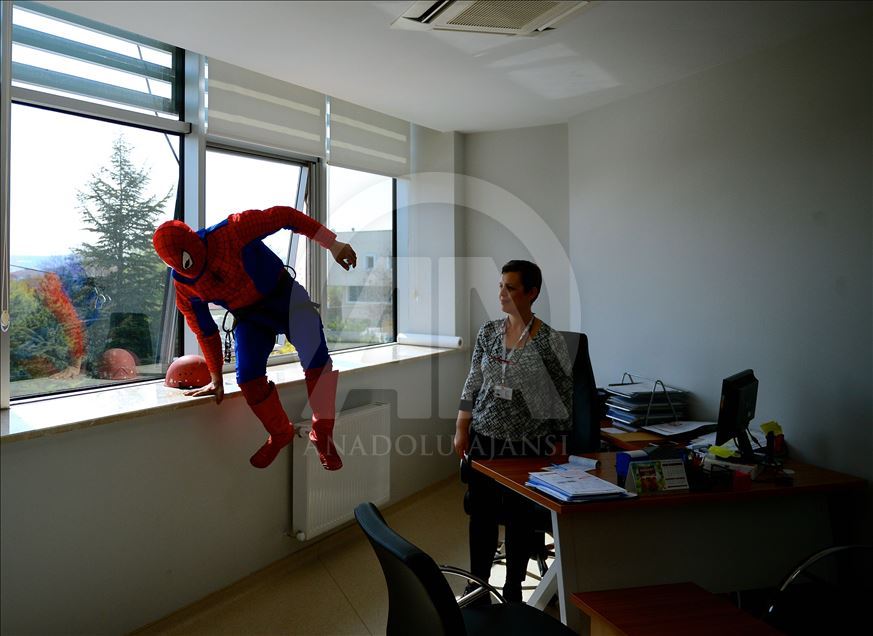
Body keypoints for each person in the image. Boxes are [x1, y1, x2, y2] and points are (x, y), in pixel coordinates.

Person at [152, 205, 357, 471]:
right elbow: (205, 331)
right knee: (248, 378)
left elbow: (285, 216)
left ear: (198, 242)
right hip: (250, 317)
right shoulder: (184, 287)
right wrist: (216, 376)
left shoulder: (233, 230)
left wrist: (332, 243)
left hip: (286, 298)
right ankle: (280, 432)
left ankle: (323, 432)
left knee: (318, 362)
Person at [454, 260, 572, 602]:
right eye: (501, 286)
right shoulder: (488, 332)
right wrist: (461, 427)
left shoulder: (550, 340)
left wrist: (559, 440)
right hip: (485, 436)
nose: (502, 293)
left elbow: (564, 395)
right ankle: (477, 584)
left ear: (532, 293)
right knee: (482, 515)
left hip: (528, 442)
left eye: (511, 287)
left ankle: (513, 589)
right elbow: (473, 381)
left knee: (521, 518)